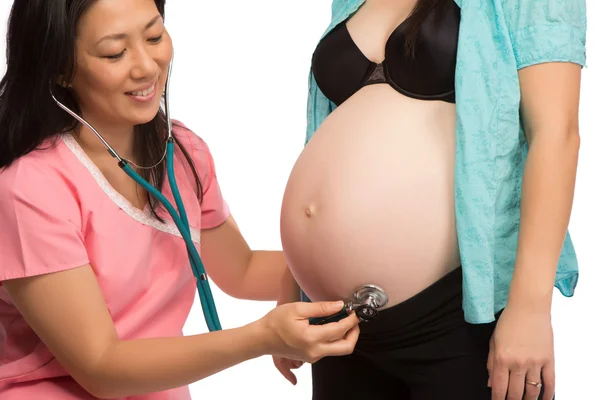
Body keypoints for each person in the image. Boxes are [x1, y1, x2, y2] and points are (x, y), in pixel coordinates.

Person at [0, 1, 360, 399]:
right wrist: (261, 338)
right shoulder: (29, 189)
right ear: (61, 68)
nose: (146, 67)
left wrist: (341, 267)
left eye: (154, 36)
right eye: (114, 53)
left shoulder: (183, 153)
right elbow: (101, 367)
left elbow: (240, 269)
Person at [273, 0, 586, 399]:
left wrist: (529, 310)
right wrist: (294, 278)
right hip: (339, 322)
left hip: (457, 316)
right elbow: (330, 129)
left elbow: (555, 136)